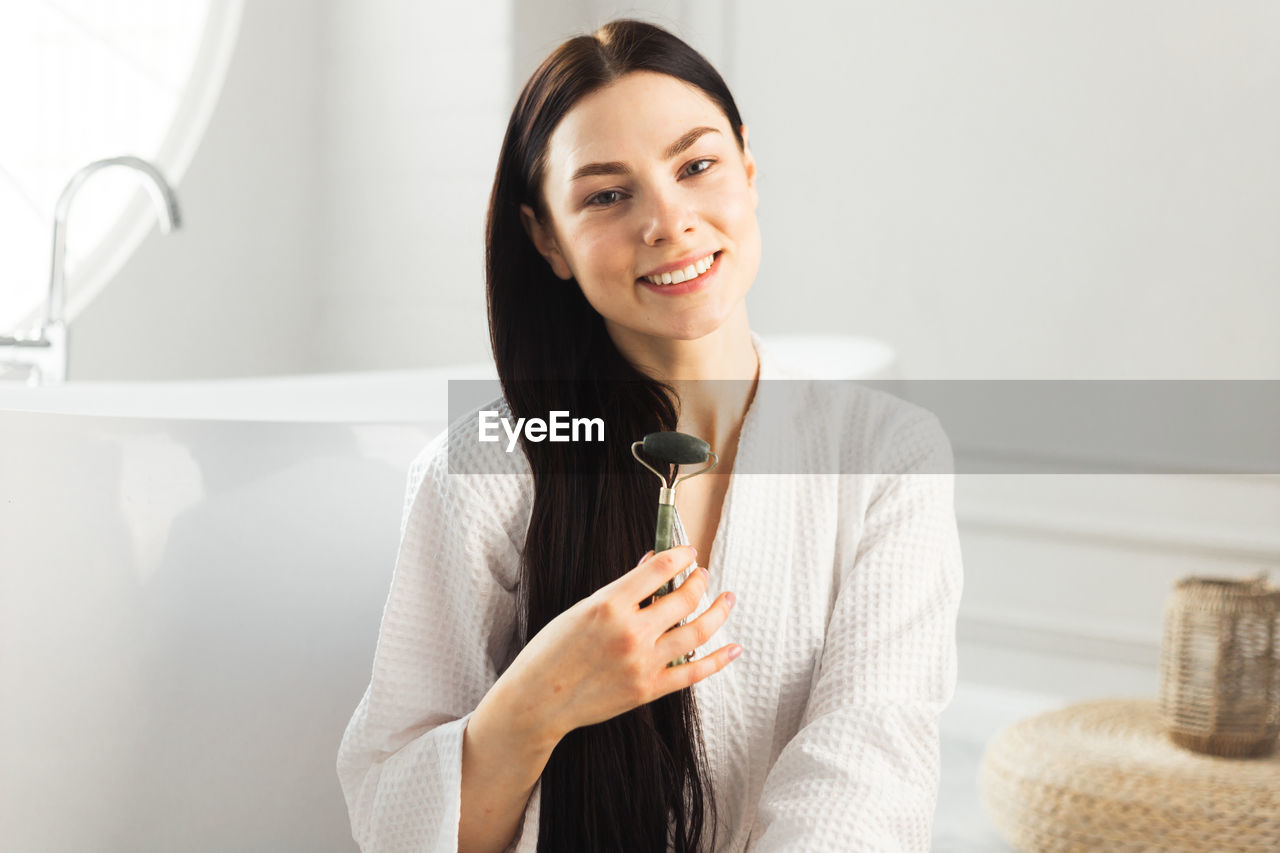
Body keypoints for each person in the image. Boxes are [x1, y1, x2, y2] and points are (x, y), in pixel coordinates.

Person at [337, 18, 962, 853]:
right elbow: (397, 826)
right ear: (546, 238)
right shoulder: (479, 471)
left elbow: (867, 774)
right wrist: (543, 695)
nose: (667, 221)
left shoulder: (888, 456)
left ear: (747, 164)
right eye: (606, 194)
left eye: (696, 166)